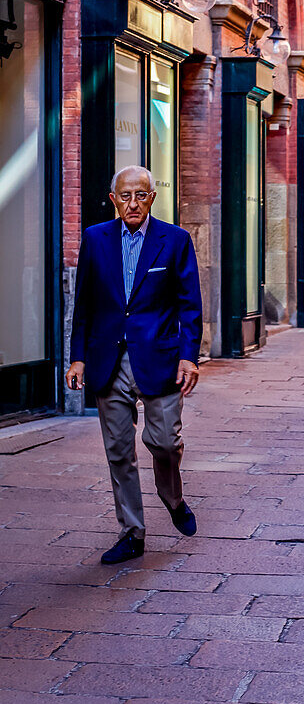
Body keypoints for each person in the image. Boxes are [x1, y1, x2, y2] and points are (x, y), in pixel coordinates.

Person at [66, 166, 202, 565]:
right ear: (113, 199)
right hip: (107, 360)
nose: (133, 203)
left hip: (159, 359)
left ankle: (172, 497)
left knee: (164, 442)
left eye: (141, 195)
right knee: (119, 452)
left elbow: (189, 304)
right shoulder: (95, 239)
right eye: (125, 196)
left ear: (152, 198)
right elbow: (85, 303)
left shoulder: (174, 240)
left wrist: (189, 356)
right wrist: (78, 357)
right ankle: (131, 532)